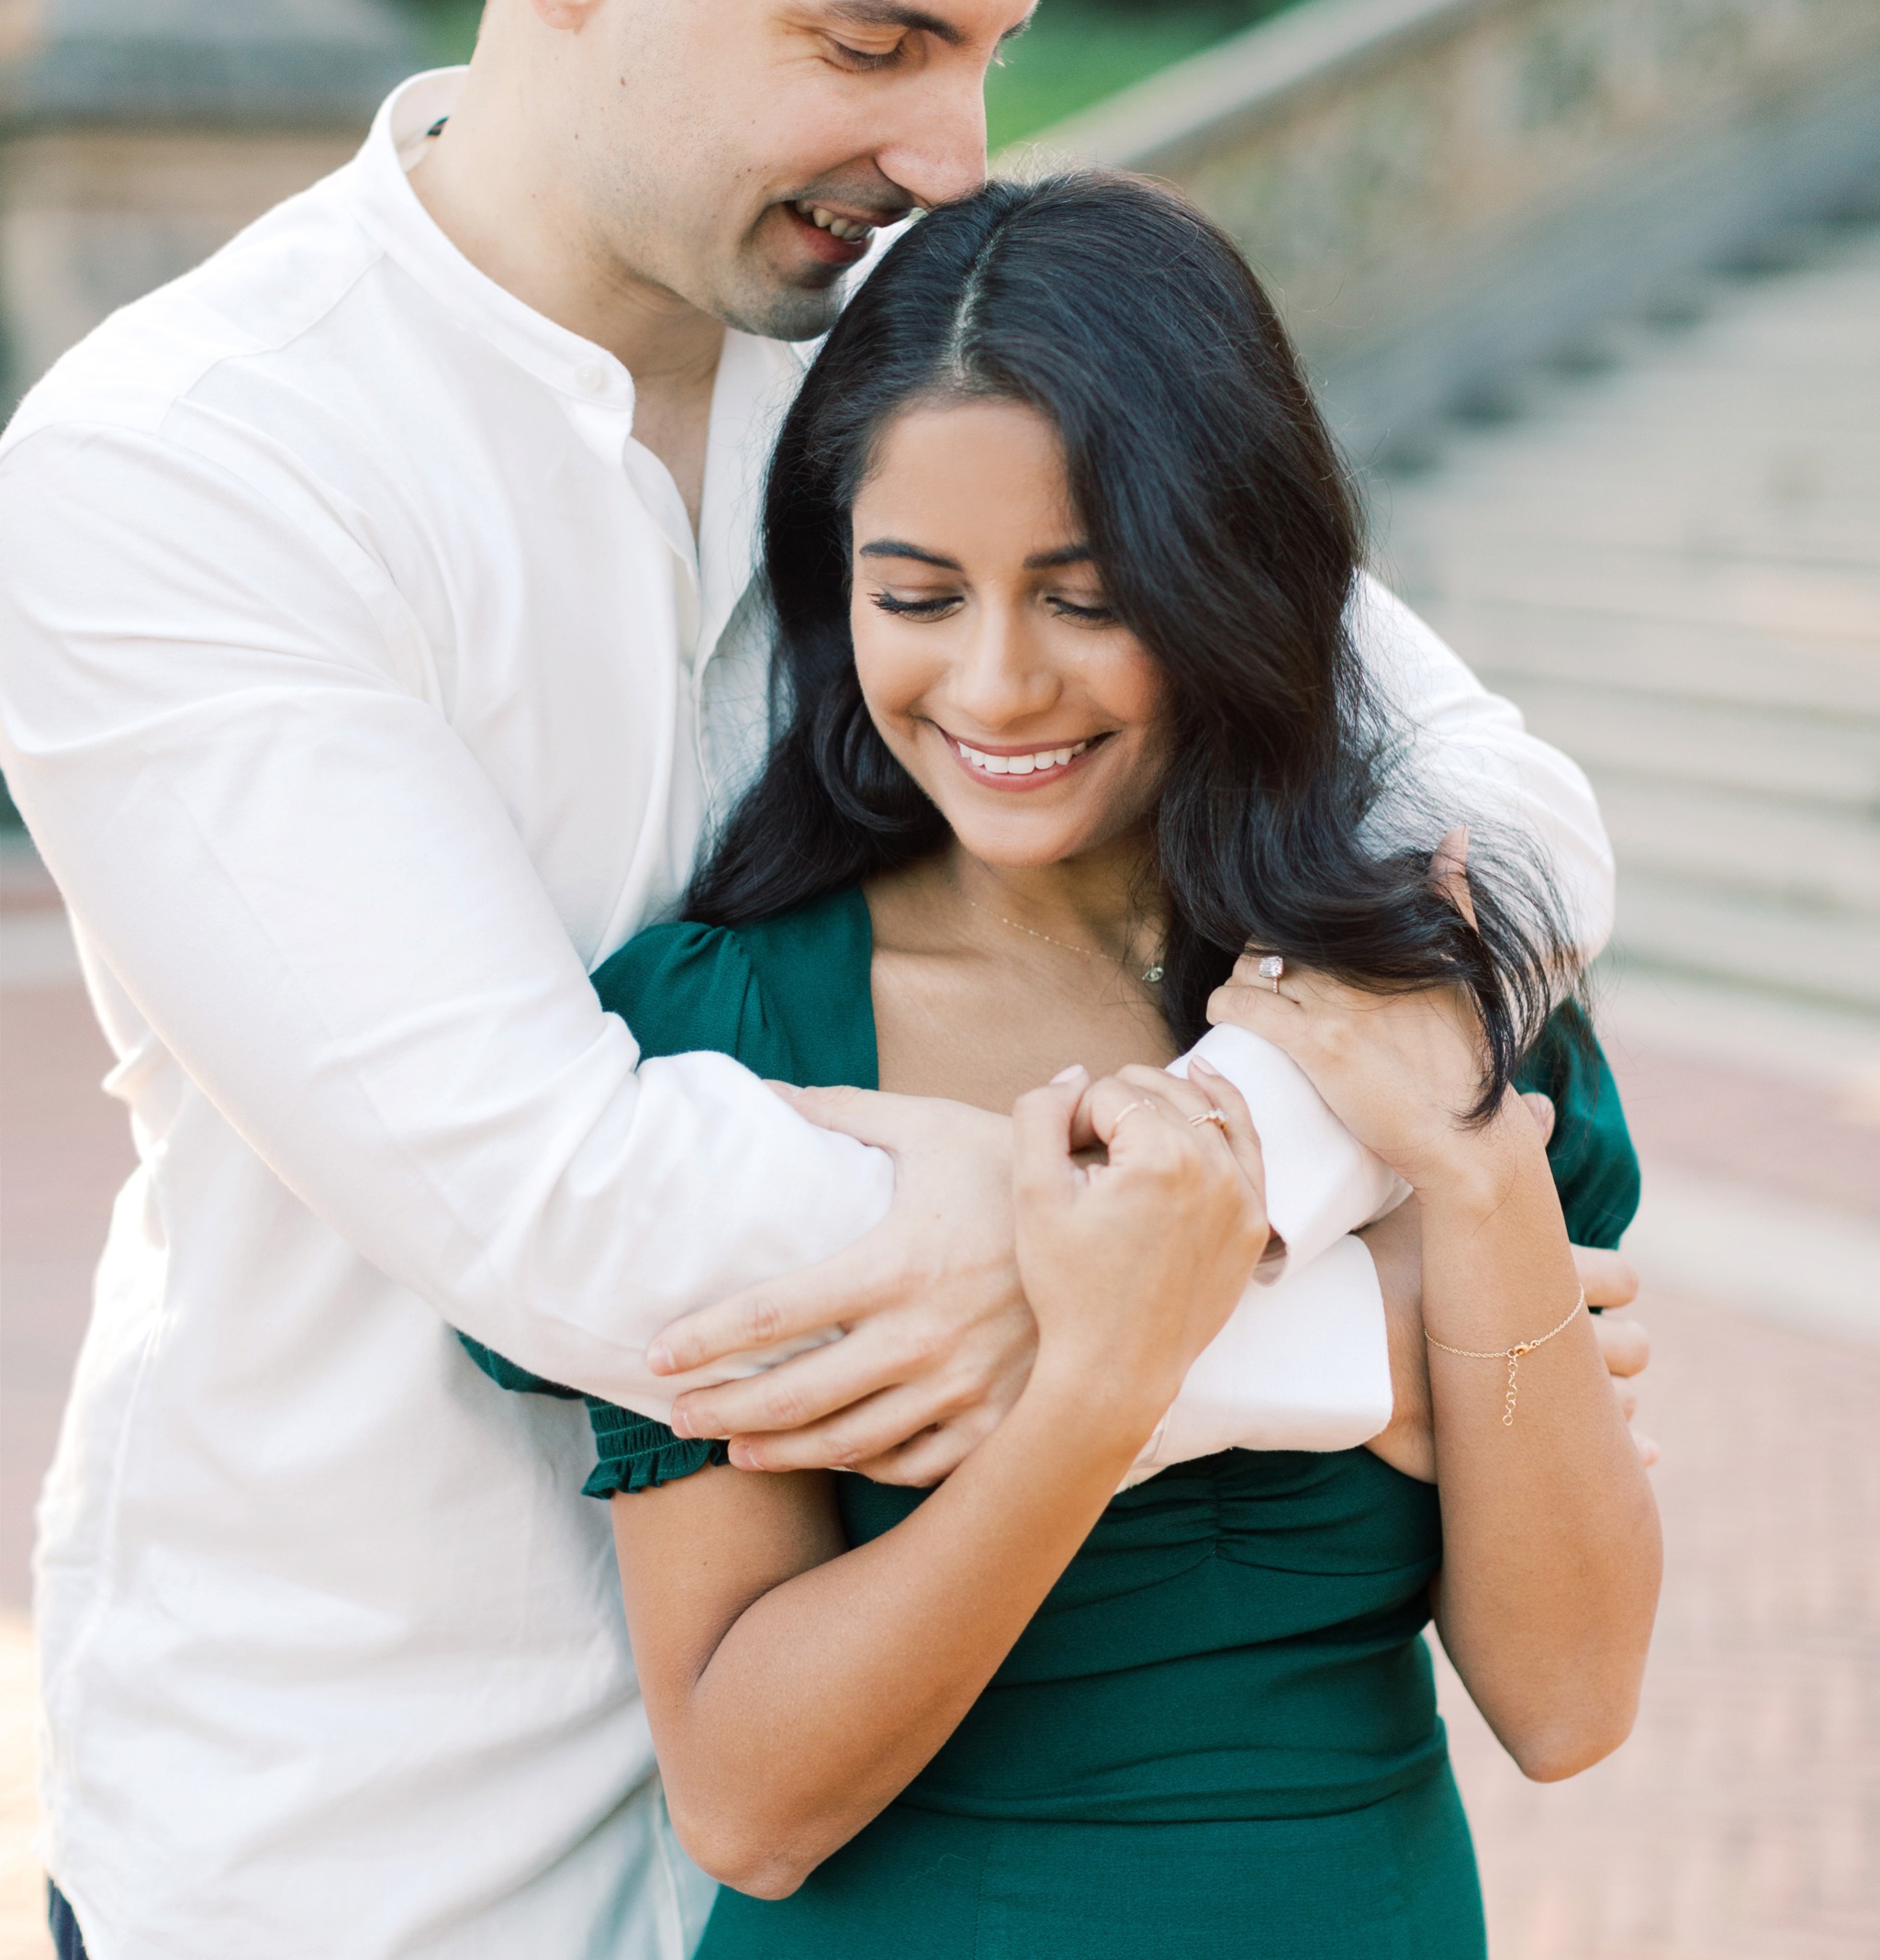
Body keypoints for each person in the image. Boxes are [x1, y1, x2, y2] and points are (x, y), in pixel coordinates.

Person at [0, 0, 1628, 1960]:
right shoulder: (186, 465)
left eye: (986, 42)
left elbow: (1498, 811)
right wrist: (1375, 1330)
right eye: (874, 43)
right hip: (357, 1855)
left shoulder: (909, 360)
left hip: (897, 1863)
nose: (957, 152)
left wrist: (1260, 1137)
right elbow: (584, 1216)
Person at [470, 171, 1660, 1958]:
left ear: (1232, 576)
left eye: (1083, 595)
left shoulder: (1430, 990)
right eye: (918, 595)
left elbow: (1566, 1701)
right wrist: (1105, 1378)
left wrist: (1477, 1171)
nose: (996, 682)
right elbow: (748, 1799)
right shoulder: (730, 1034)